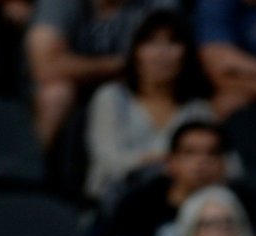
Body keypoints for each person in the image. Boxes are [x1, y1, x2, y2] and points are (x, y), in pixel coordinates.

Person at [85, 8, 217, 201]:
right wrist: (170, 162)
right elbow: (109, 160)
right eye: (151, 43)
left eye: (173, 43)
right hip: (116, 201)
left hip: (182, 202)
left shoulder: (198, 110)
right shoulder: (111, 97)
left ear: (186, 53)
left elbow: (226, 163)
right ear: (135, 52)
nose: (162, 53)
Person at [103, 114, 233, 236]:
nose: (202, 161)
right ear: (171, 162)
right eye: (189, 153)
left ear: (223, 164)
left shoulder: (236, 207)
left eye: (212, 153)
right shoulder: (139, 205)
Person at [27, 0, 153, 152]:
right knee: (57, 93)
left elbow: (156, 61)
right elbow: (44, 67)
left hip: (125, 87)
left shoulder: (148, 5)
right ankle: (32, 164)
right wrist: (120, 64)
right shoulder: (60, 4)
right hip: (73, 88)